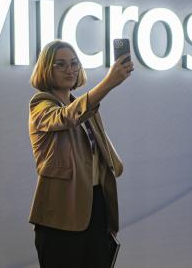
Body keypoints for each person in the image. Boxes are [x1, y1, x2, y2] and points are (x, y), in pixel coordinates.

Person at [28, 39, 133, 268]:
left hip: (95, 208)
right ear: (47, 69)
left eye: (74, 63)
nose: (70, 69)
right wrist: (109, 83)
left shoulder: (86, 109)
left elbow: (109, 159)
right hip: (61, 213)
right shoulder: (40, 105)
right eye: (61, 64)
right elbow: (66, 117)